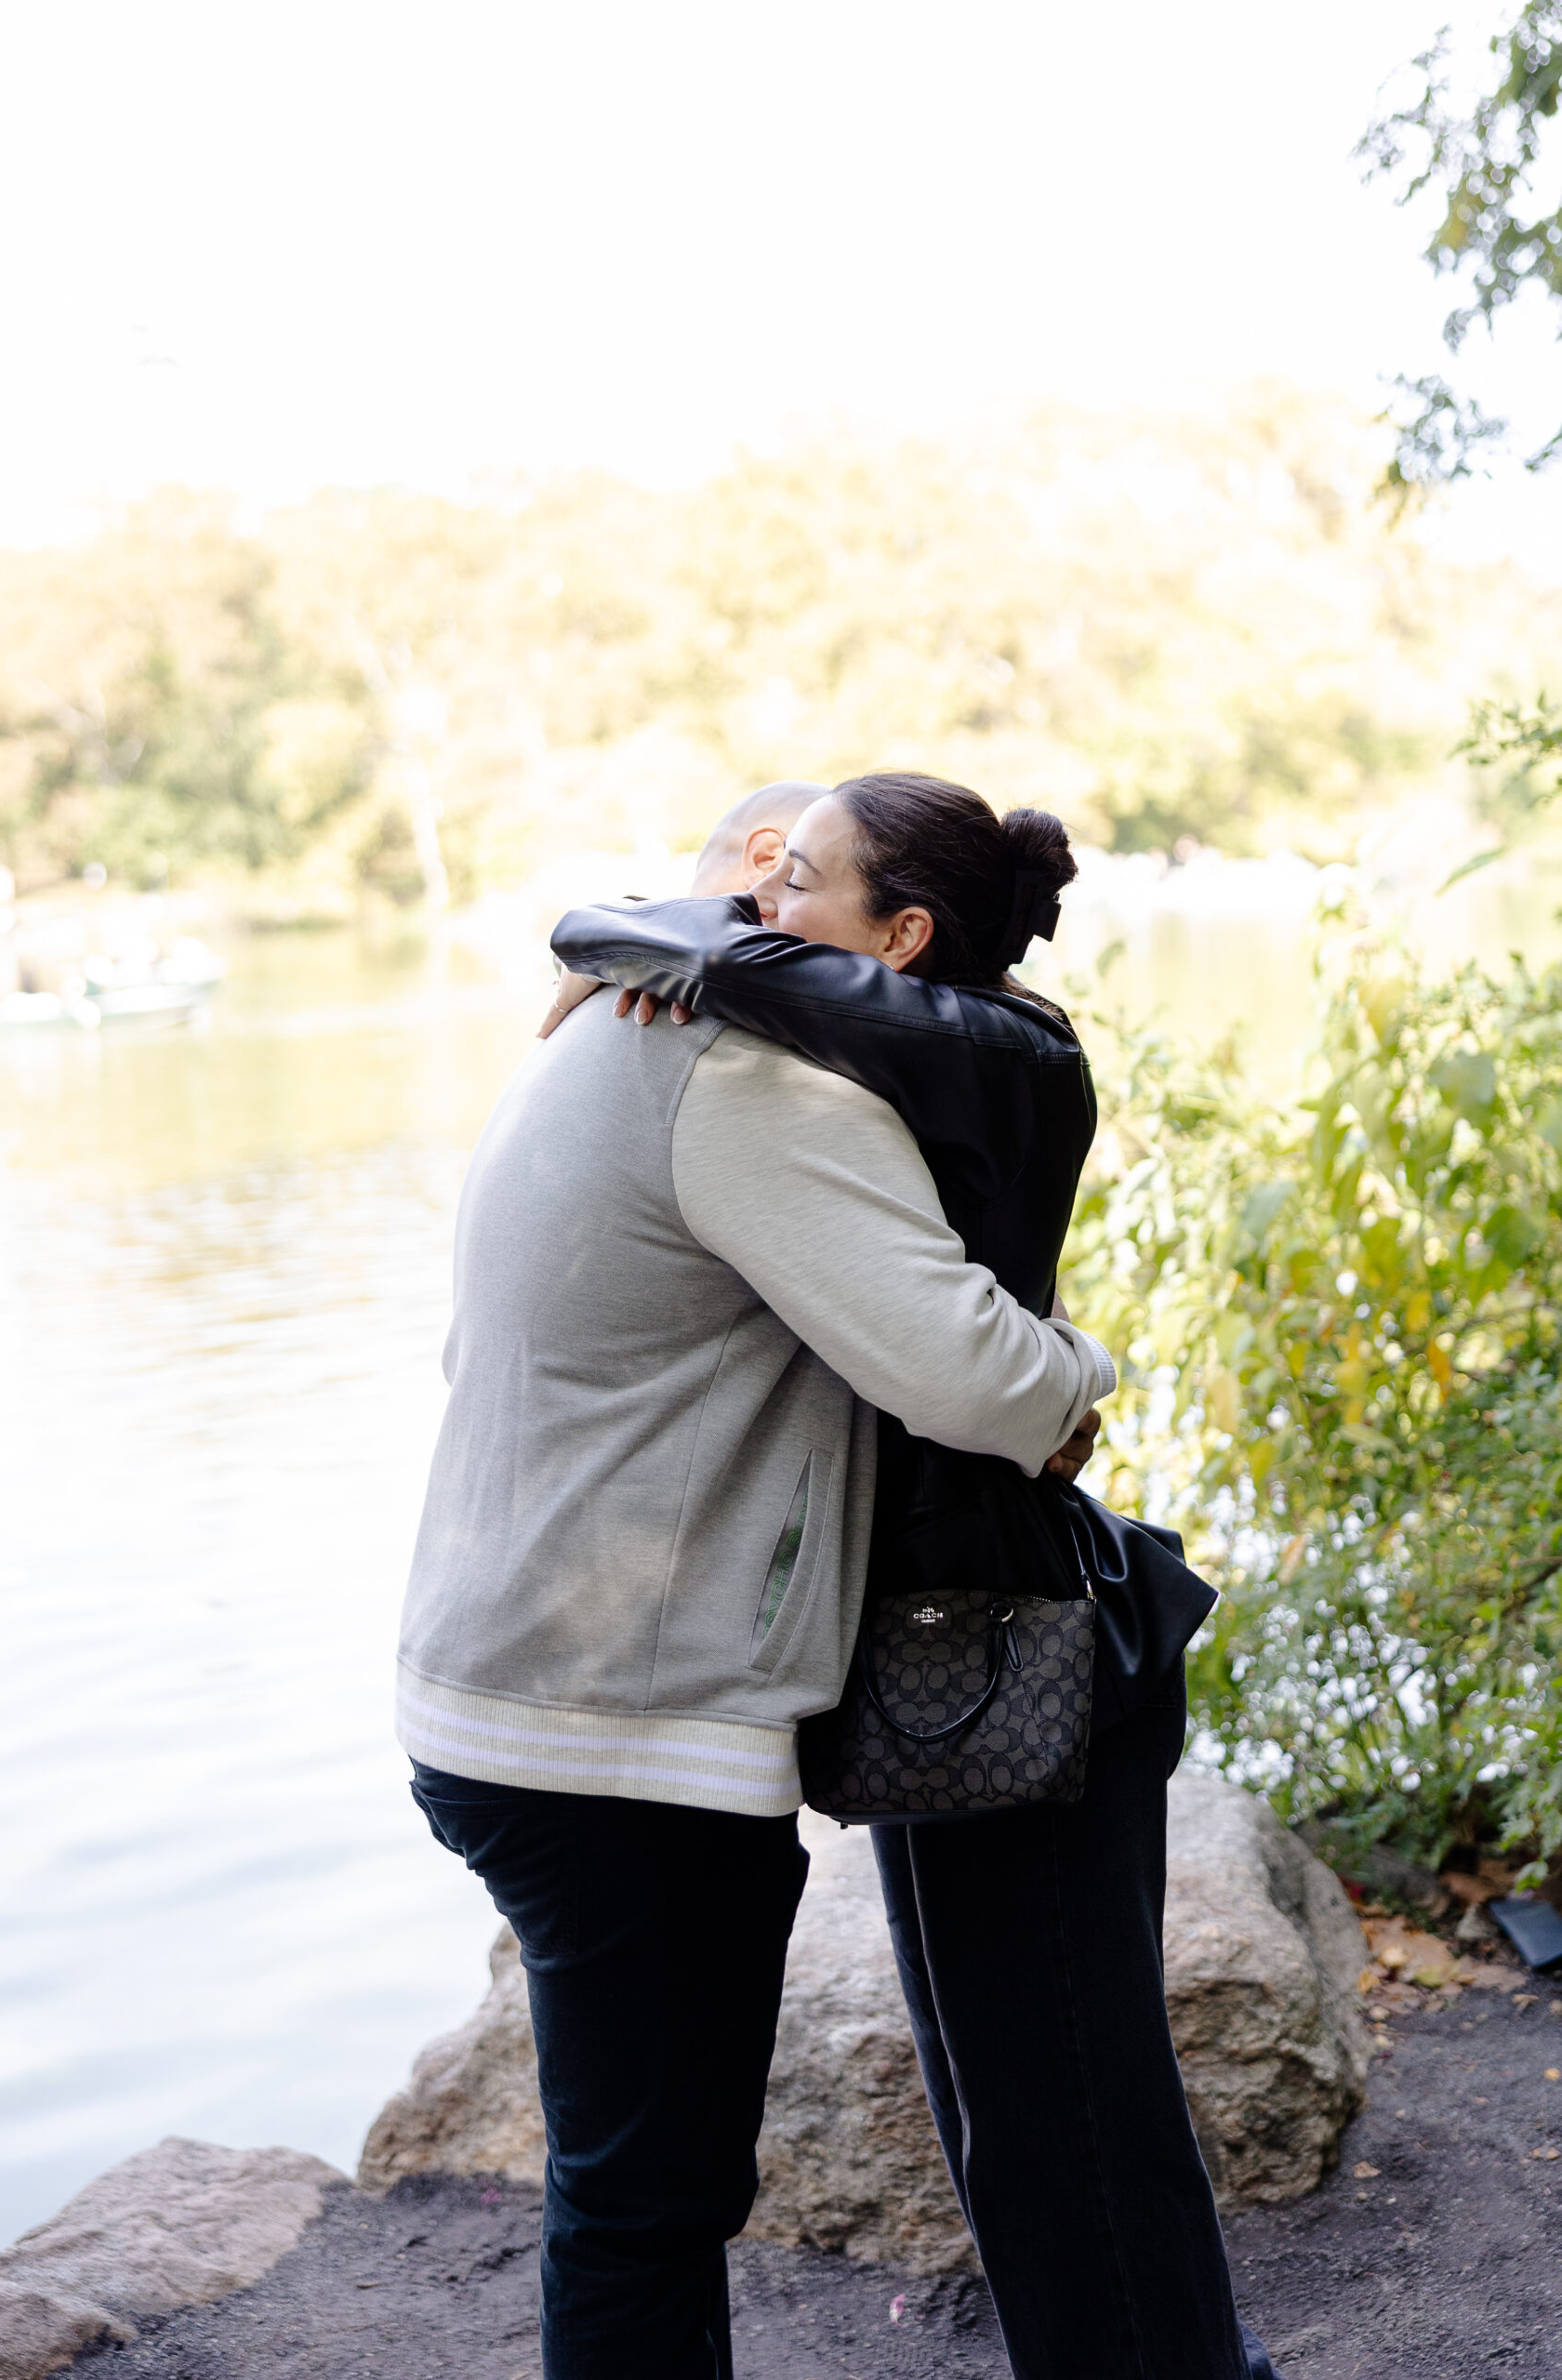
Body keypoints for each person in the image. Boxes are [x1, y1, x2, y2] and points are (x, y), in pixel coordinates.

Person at [550, 772, 1282, 2380]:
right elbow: (751, 954)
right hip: (947, 1623)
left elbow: (740, 965)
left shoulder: (997, 1050)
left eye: (798, 877)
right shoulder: (900, 1037)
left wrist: (640, 944)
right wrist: (652, 945)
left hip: (1010, 1626)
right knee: (1006, 2095)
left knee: (1069, 2105)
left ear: (903, 935)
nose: (759, 899)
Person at [396, 838, 1117, 2380]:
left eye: (799, 883)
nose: (773, 909)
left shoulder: (610, 1026)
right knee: (648, 2203)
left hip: (510, 1686)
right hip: (612, 1732)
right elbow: (975, 1377)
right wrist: (1078, 1384)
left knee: (635, 2187)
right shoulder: (742, 1080)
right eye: (766, 878)